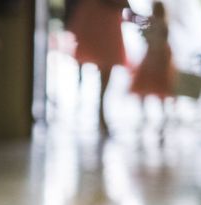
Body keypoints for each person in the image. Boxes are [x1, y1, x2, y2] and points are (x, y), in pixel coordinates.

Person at [67, 0, 130, 134]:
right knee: (87, 61)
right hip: (94, 19)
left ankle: (98, 109)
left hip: (107, 22)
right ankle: (82, 104)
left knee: (106, 65)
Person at [130, 1, 175, 125]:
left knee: (160, 84)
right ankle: (144, 110)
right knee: (147, 82)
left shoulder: (163, 24)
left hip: (159, 56)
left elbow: (162, 39)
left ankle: (161, 110)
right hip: (153, 55)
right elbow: (145, 36)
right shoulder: (153, 22)